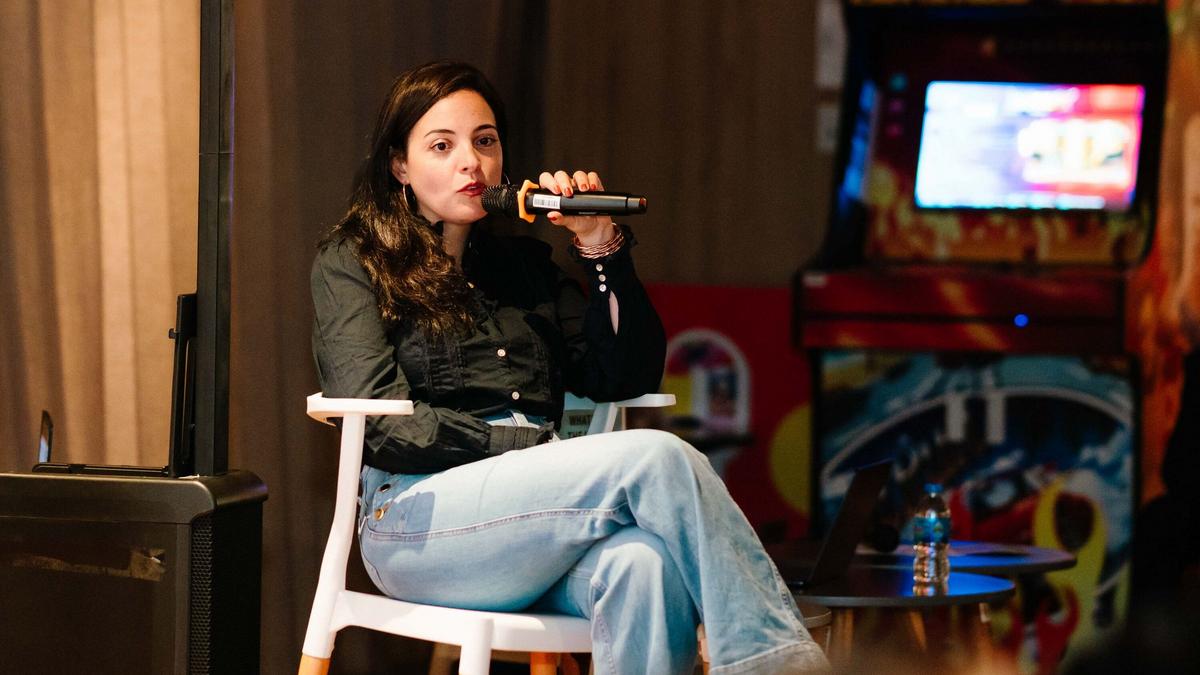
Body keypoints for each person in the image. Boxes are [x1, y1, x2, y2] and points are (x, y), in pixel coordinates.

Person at [310, 60, 829, 674]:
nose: (471, 162)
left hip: (537, 521)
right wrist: (520, 446)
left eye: (485, 141)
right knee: (657, 457)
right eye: (442, 146)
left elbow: (624, 377)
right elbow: (382, 424)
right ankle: (774, 662)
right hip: (416, 524)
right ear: (400, 165)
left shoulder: (526, 267)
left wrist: (598, 243)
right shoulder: (353, 261)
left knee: (644, 565)